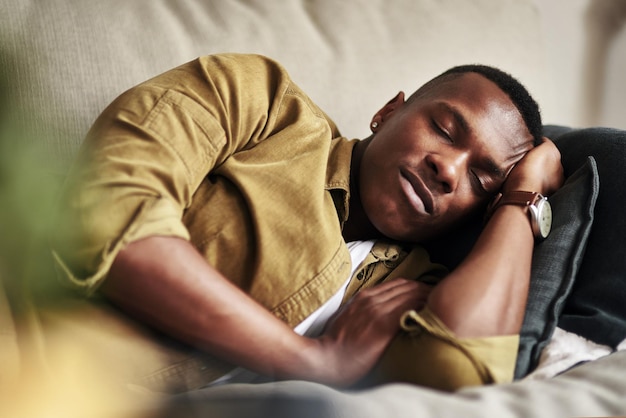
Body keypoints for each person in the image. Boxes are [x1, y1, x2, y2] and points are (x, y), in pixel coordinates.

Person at [50, 53, 563, 392]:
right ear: (388, 111)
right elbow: (110, 217)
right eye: (444, 128)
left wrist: (523, 198)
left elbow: (460, 366)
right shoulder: (262, 102)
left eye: (480, 178)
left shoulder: (416, 283)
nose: (448, 169)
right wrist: (309, 360)